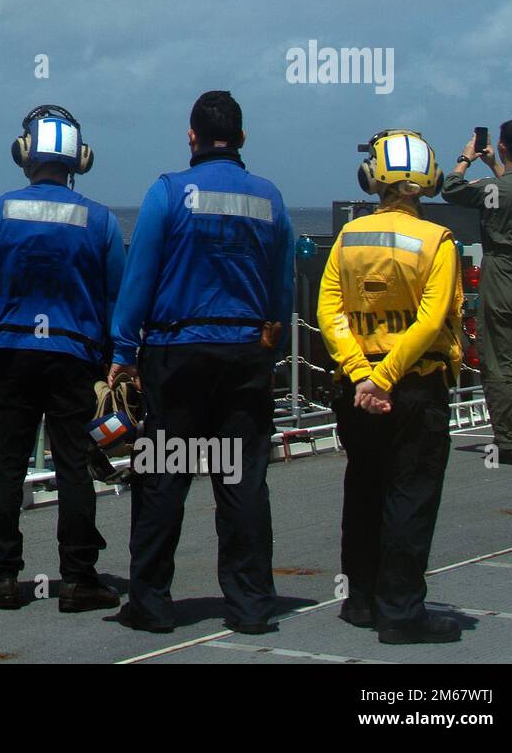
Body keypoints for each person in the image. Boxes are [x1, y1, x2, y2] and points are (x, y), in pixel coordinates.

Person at [109, 90, 293, 635]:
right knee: (241, 483)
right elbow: (281, 291)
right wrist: (270, 352)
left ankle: (151, 604)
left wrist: (122, 353)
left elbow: (138, 279)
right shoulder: (271, 200)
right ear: (241, 139)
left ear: (191, 137)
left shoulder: (168, 193)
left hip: (176, 355)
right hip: (245, 357)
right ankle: (253, 606)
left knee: (162, 478)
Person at [0, 104, 125, 613]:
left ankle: (4, 579)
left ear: (23, 154)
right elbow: (117, 297)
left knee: (5, 469)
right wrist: (115, 357)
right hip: (75, 361)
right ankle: (77, 579)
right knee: (76, 466)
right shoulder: (100, 221)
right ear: (80, 160)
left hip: (9, 356)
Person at [318, 128, 463, 644]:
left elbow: (328, 313)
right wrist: (384, 378)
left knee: (363, 488)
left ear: (370, 179)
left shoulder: (348, 237)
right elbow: (430, 321)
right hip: (414, 387)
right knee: (410, 493)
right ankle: (401, 612)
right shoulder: (437, 242)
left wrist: (361, 374)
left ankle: (360, 601)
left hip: (357, 390)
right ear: (430, 181)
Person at [442, 120, 512, 466]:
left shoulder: (493, 189)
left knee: (502, 364)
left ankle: (509, 444)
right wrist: (495, 166)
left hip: (502, 279)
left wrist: (466, 157)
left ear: (502, 146)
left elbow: (451, 188)